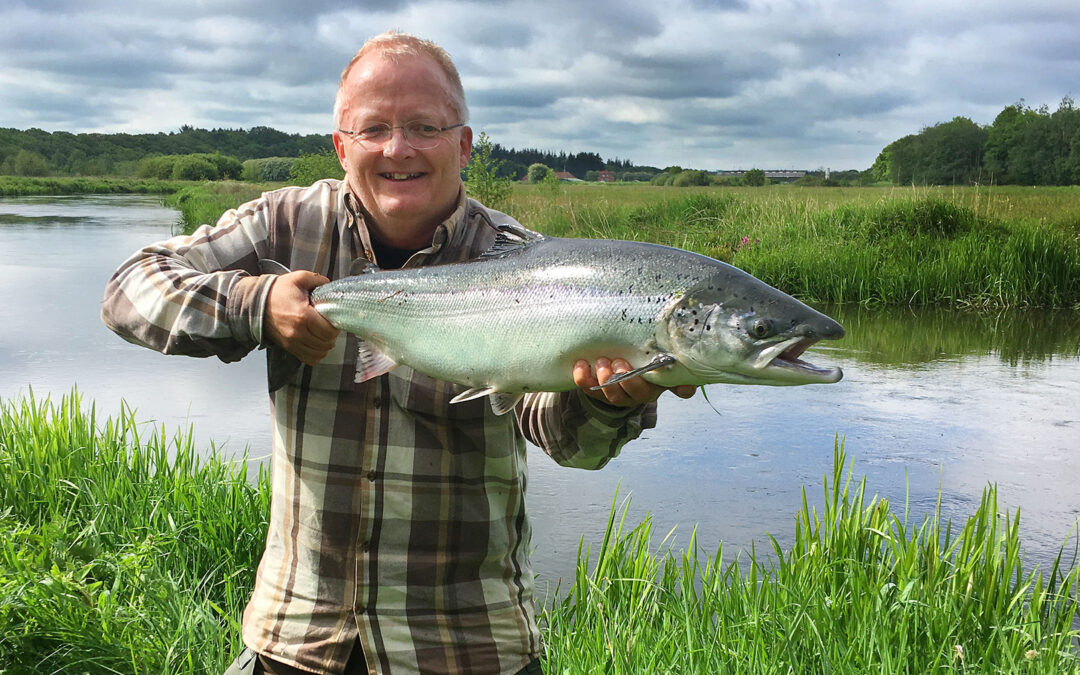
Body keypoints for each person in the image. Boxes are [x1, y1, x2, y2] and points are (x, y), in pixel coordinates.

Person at [102, 31, 693, 675]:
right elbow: (130, 291)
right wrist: (257, 305)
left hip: (467, 646)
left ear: (463, 145)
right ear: (340, 145)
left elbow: (573, 447)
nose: (397, 149)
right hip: (297, 639)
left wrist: (608, 404)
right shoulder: (282, 225)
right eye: (373, 128)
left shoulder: (525, 263)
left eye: (424, 127)